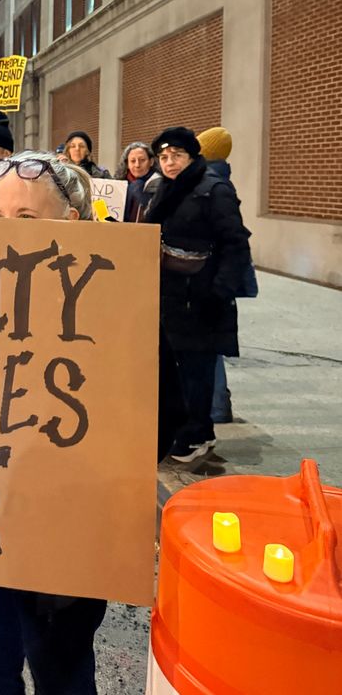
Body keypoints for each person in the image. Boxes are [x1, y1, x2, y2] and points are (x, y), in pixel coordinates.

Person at [0, 150, 108, 695]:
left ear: (70, 224)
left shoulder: (113, 304)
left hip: (64, 537)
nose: (8, 236)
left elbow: (154, 419)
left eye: (26, 220)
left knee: (62, 671)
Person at [145, 127, 251, 464]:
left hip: (201, 297)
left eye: (176, 155)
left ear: (192, 156)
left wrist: (218, 292)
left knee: (197, 370)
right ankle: (180, 429)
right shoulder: (164, 189)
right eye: (163, 157)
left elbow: (235, 244)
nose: (169, 162)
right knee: (174, 369)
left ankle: (198, 434)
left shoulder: (213, 190)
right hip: (170, 296)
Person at [196, 126, 258, 424]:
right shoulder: (218, 180)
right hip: (214, 280)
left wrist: (219, 286)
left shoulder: (213, 185)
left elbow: (232, 240)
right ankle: (217, 406)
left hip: (210, 280)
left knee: (208, 348)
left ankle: (217, 407)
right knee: (210, 347)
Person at [114, 141, 157, 222]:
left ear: (151, 162)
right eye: (133, 161)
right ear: (127, 164)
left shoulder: (161, 185)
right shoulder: (118, 184)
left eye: (142, 160)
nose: (137, 165)